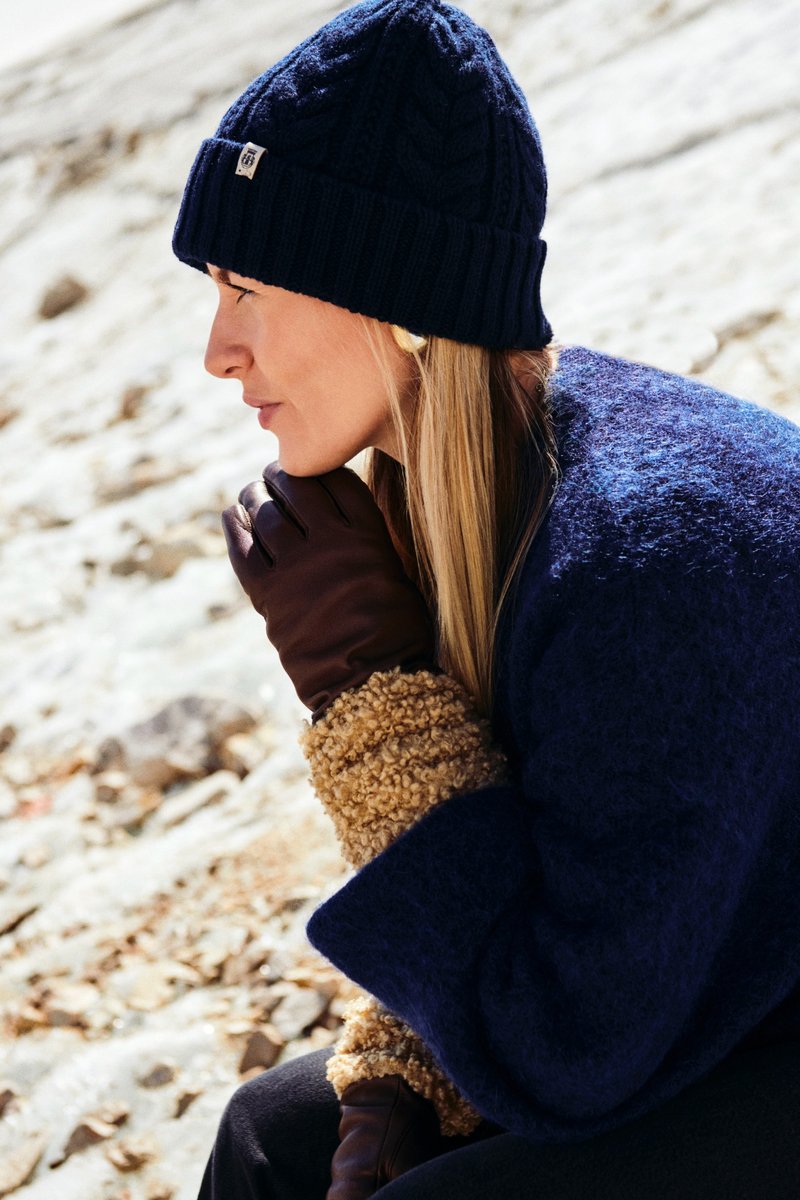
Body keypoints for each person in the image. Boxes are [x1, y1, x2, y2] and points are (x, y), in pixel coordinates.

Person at [172, 0, 800, 1196]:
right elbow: (543, 873)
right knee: (271, 1136)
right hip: (708, 1001)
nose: (218, 350)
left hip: (750, 1035)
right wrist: (397, 1070)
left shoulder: (637, 557)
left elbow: (560, 1047)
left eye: (248, 288)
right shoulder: (478, 489)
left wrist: (367, 689)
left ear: (392, 298)